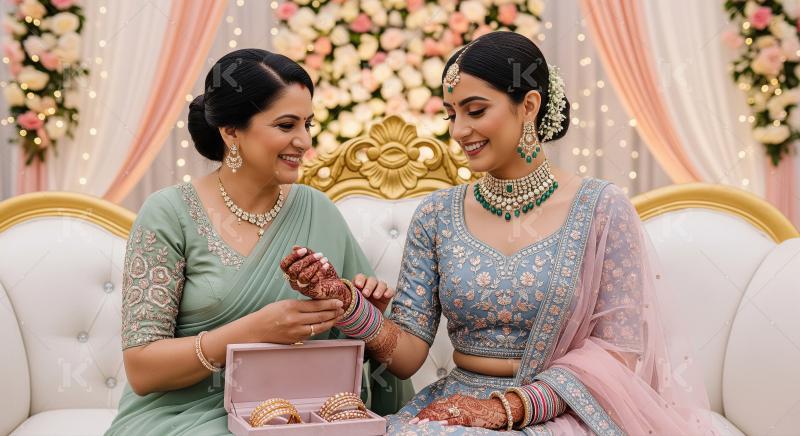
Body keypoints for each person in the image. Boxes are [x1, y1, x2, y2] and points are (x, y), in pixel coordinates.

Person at [281, 31, 717, 435]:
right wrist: (346, 302)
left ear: (528, 105)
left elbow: (619, 352)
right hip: (454, 411)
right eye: (451, 115)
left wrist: (509, 408)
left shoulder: (601, 208)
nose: (459, 131)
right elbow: (407, 355)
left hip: (564, 411)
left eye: (475, 111)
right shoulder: (437, 215)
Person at [105, 48, 413, 436]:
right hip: (184, 417)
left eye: (308, 124)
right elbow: (142, 368)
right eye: (286, 125)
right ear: (231, 131)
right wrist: (253, 331)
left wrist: (363, 317)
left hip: (301, 415)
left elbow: (392, 356)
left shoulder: (317, 209)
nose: (304, 141)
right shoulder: (168, 214)